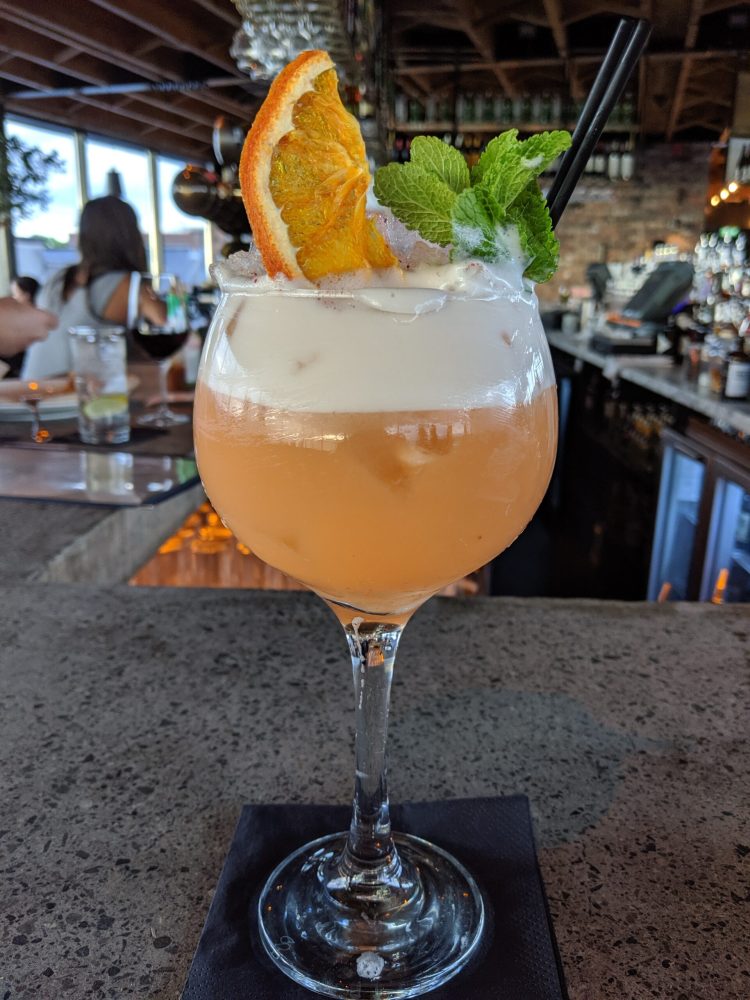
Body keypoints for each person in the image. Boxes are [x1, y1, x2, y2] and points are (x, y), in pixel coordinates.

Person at [22, 196, 166, 379]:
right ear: (130, 235)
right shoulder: (127, 284)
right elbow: (166, 324)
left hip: (31, 385)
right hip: (76, 390)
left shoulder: (59, 277)